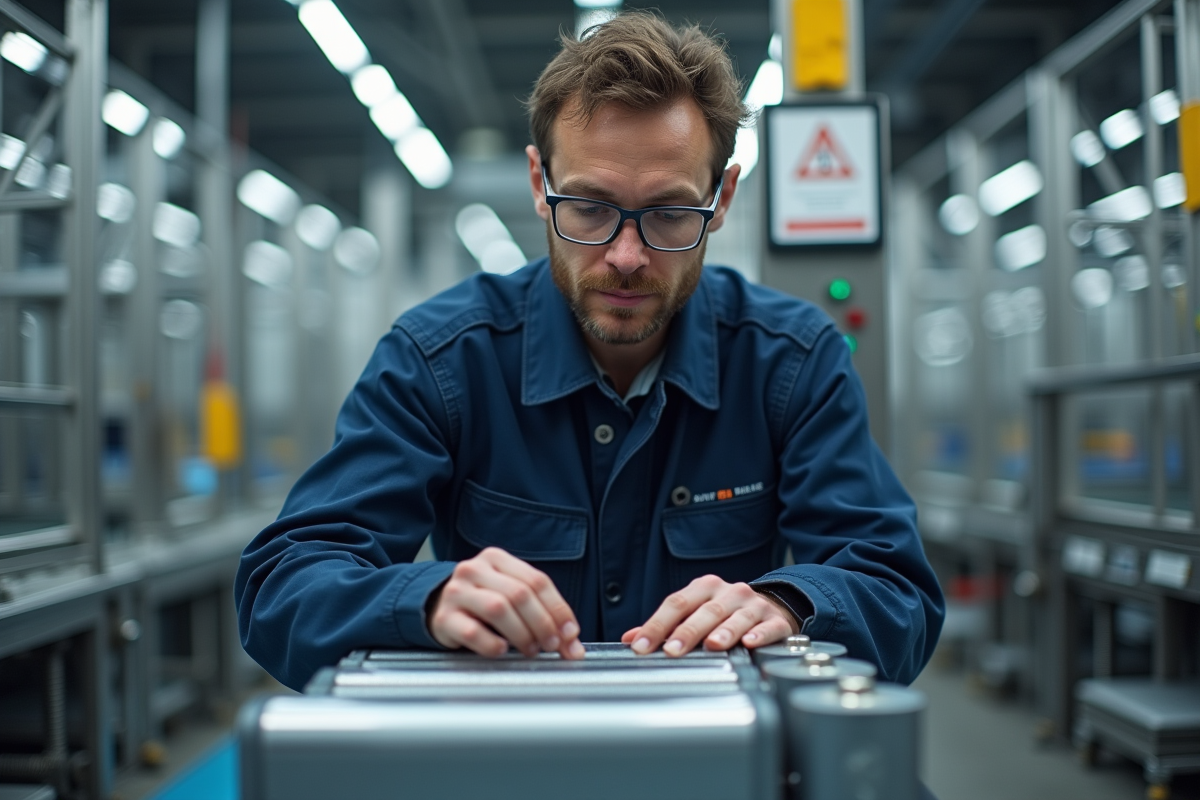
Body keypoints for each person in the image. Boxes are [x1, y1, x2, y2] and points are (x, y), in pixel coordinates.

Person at [235, 11, 944, 692]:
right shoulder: (441, 361)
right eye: (591, 208)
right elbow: (284, 584)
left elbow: (897, 591)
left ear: (721, 197)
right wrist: (424, 600)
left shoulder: (792, 363)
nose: (626, 256)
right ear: (540, 186)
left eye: (668, 213)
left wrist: (795, 604)